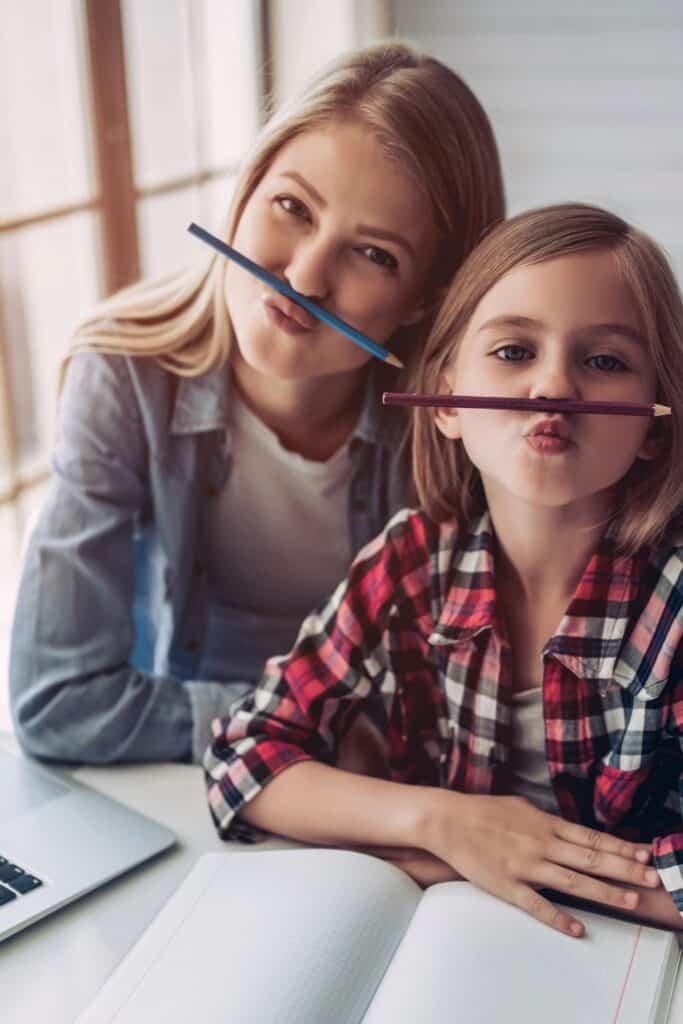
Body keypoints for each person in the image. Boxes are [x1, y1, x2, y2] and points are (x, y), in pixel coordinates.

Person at [9, 42, 505, 764]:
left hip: (378, 791)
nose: (304, 277)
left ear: (426, 296)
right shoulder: (124, 375)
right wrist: (307, 727)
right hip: (196, 777)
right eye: (291, 207)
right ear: (244, 195)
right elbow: (57, 702)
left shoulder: (451, 424)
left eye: (374, 254)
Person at [204, 203, 683, 936]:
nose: (550, 386)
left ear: (654, 424)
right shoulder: (409, 563)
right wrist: (446, 824)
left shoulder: (672, 603)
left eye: (604, 361)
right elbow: (244, 758)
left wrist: (503, 867)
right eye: (514, 352)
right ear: (444, 402)